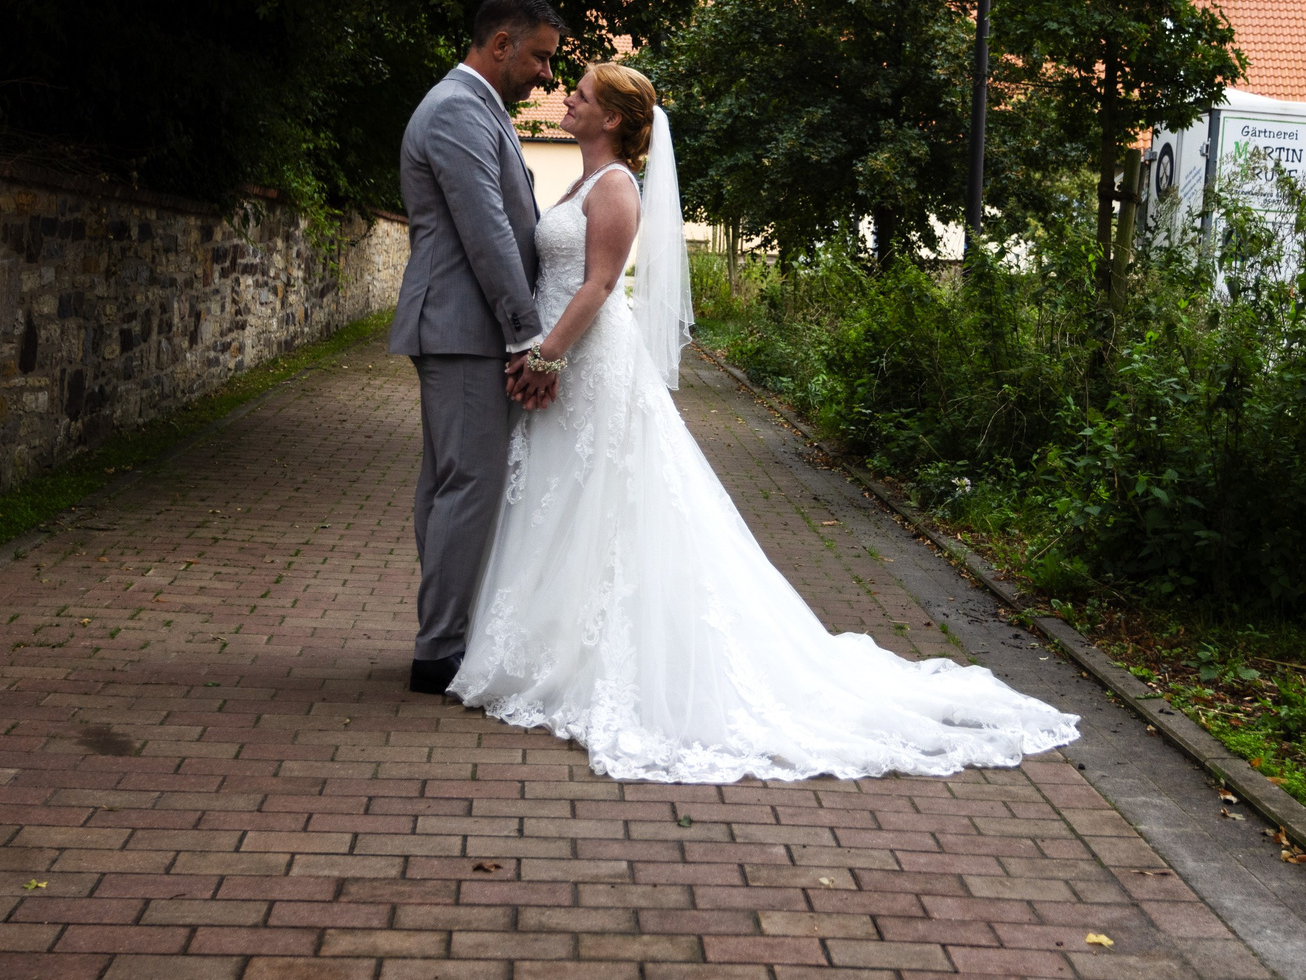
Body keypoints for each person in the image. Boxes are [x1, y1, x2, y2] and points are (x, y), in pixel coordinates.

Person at [447, 61, 1078, 782]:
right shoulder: (584, 180)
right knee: (565, 502)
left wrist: (548, 356)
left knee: (606, 504)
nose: (568, 98)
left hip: (588, 361)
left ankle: (597, 656)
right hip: (569, 360)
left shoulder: (617, 187)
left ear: (612, 119)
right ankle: (548, 645)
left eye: (581, 95)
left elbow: (597, 284)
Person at [390, 0, 564, 695]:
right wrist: (528, 337)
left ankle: (445, 634)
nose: (547, 76)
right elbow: (487, 232)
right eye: (540, 58)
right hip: (465, 329)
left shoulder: (475, 106)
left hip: (461, 326)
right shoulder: (459, 108)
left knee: (448, 481)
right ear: (500, 43)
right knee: (469, 484)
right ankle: (439, 652)